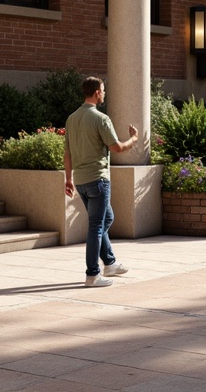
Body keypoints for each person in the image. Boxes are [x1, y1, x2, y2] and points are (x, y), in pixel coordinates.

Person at [64, 76, 139, 287]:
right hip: (98, 179)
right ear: (97, 92)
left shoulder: (72, 118)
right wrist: (133, 139)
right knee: (96, 226)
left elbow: (67, 153)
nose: (104, 93)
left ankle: (110, 262)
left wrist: (68, 179)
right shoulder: (101, 119)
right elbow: (117, 148)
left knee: (107, 218)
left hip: (80, 180)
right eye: (103, 90)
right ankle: (92, 274)